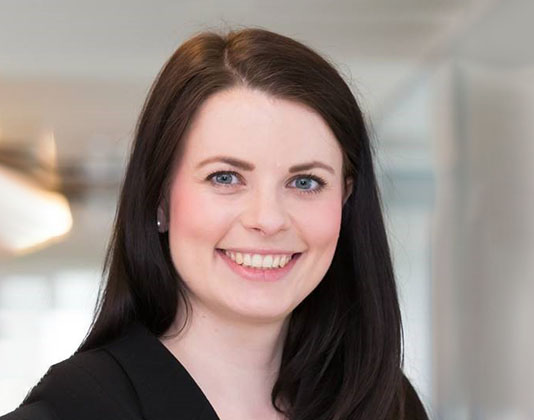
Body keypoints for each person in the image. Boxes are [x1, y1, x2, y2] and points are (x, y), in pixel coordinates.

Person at [1, 27, 429, 420]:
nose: (268, 219)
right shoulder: (73, 412)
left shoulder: (387, 406)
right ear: (160, 198)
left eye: (305, 182)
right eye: (225, 177)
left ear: (347, 198)